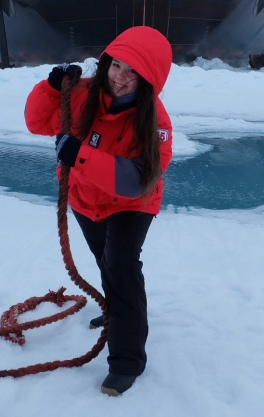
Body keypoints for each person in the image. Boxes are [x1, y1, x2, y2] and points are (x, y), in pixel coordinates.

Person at [24, 27, 174, 396]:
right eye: (116, 65)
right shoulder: (82, 95)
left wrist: (81, 155)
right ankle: (119, 314)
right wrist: (51, 88)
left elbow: (138, 179)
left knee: (121, 268)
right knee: (105, 263)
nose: (119, 77)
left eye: (132, 72)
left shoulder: (155, 120)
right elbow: (37, 123)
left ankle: (126, 360)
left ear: (149, 79)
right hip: (84, 200)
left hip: (131, 204)